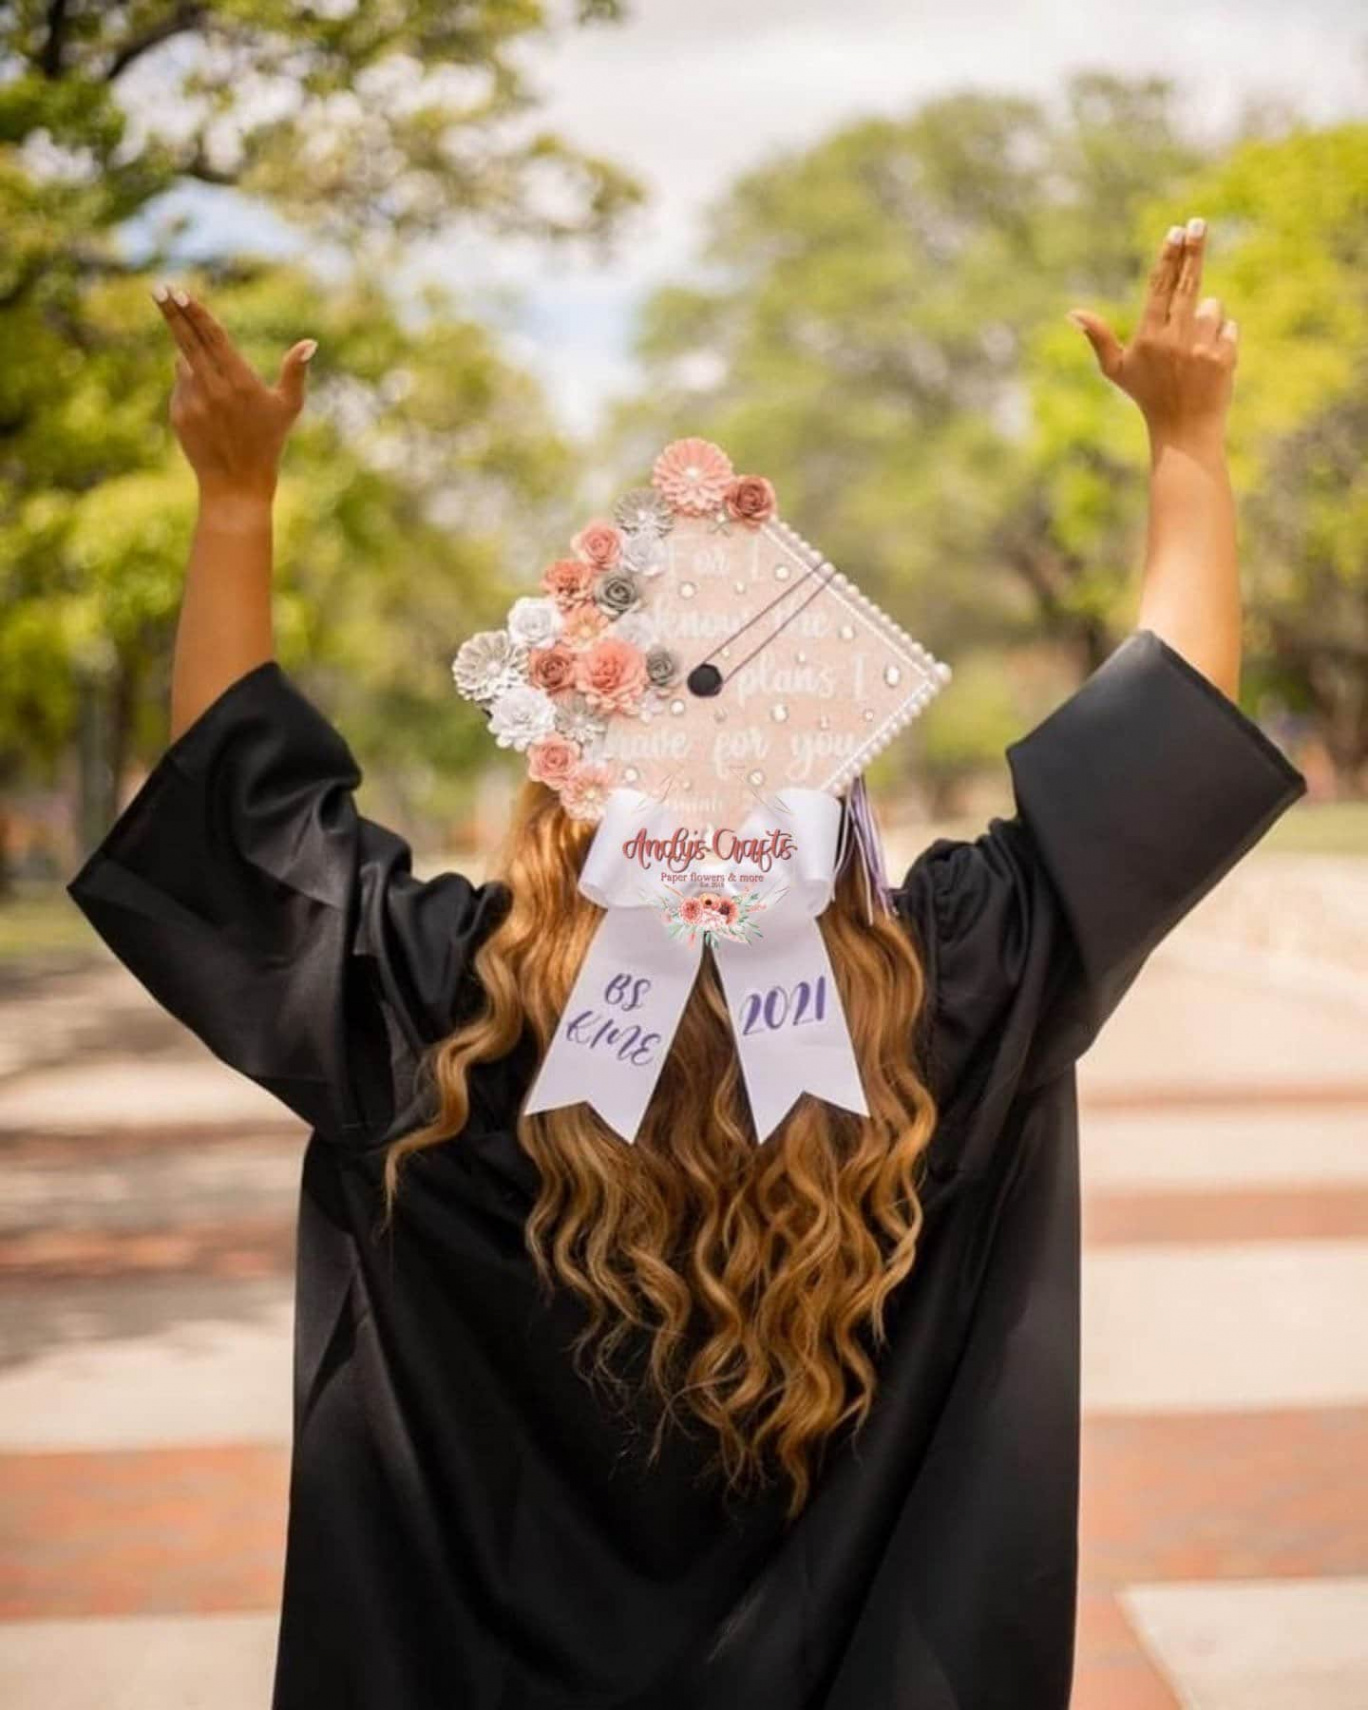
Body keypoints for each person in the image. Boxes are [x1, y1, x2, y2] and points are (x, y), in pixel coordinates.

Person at [69, 216, 1305, 1710]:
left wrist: (233, 504)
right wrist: (1188, 444)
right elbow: (1160, 752)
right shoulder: (948, 992)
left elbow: (243, 815)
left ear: (561, 766)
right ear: (833, 763)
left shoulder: (440, 1004)